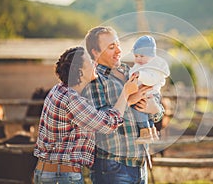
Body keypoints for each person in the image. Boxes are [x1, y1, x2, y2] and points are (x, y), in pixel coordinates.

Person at [33, 46, 139, 184]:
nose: (95, 63)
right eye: (90, 61)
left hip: (49, 173)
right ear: (80, 72)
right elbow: (108, 124)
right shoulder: (72, 100)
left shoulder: (59, 90)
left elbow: (95, 116)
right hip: (63, 176)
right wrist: (125, 93)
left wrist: (126, 101)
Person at [83, 26, 164, 184]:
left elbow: (156, 106)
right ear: (95, 52)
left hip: (140, 164)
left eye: (118, 44)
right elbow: (100, 123)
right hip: (113, 166)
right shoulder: (94, 79)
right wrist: (129, 100)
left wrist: (155, 110)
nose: (119, 50)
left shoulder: (132, 71)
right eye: (111, 47)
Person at [129, 35, 170, 144]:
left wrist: (140, 75)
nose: (138, 59)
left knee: (139, 109)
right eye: (136, 56)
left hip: (151, 95)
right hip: (145, 94)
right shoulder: (139, 65)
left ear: (151, 56)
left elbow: (151, 80)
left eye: (142, 56)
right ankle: (150, 131)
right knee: (140, 110)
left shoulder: (154, 67)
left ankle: (145, 131)